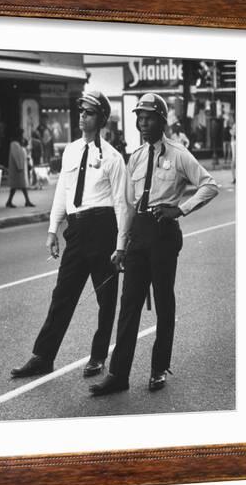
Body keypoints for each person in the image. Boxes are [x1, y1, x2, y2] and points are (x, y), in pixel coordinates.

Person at [90, 93, 219, 396]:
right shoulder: (134, 157)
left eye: (148, 117)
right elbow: (129, 206)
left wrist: (181, 209)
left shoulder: (178, 153)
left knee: (163, 304)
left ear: (162, 120)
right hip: (139, 236)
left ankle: (158, 369)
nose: (142, 122)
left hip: (164, 234)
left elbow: (209, 185)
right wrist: (121, 246)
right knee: (128, 306)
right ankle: (118, 375)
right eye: (139, 117)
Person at [10, 91, 128, 379]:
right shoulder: (71, 151)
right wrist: (53, 230)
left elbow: (123, 204)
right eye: (81, 112)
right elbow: (63, 192)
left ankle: (98, 356)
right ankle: (43, 356)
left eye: (88, 113)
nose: (82, 117)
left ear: (100, 118)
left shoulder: (113, 158)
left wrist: (121, 245)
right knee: (62, 295)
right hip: (76, 229)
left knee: (105, 298)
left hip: (103, 228)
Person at [5, 128, 35, 208]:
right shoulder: (14, 144)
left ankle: (11, 201)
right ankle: (26, 201)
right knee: (20, 186)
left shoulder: (17, 144)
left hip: (20, 169)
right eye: (21, 134)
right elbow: (16, 157)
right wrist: (20, 167)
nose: (22, 136)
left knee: (17, 186)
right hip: (18, 169)